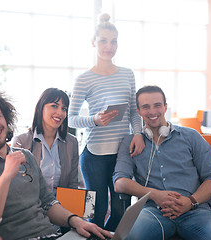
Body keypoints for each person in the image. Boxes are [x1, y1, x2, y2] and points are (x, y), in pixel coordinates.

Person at [0, 89, 113, 240]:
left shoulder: (29, 155)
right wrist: (6, 176)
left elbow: (48, 202)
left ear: (6, 118)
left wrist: (76, 221)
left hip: (53, 232)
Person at [113, 85, 211, 240]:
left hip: (195, 210)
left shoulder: (191, 137)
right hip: (153, 212)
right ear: (139, 111)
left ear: (165, 107)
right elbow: (120, 183)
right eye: (146, 107)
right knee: (131, 236)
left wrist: (190, 201)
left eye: (157, 105)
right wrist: (155, 194)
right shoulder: (130, 142)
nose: (152, 111)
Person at [68, 13, 145, 231]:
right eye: (103, 40)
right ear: (93, 43)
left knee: (122, 211)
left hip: (122, 153)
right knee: (95, 211)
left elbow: (133, 110)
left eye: (113, 41)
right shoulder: (83, 79)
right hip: (93, 155)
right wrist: (94, 120)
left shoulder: (127, 74)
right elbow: (71, 118)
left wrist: (138, 133)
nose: (109, 46)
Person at [12, 88, 79, 196]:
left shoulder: (72, 142)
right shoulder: (22, 141)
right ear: (40, 108)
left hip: (61, 205)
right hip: (32, 205)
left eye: (64, 108)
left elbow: (72, 185)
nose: (60, 113)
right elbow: (17, 185)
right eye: (54, 106)